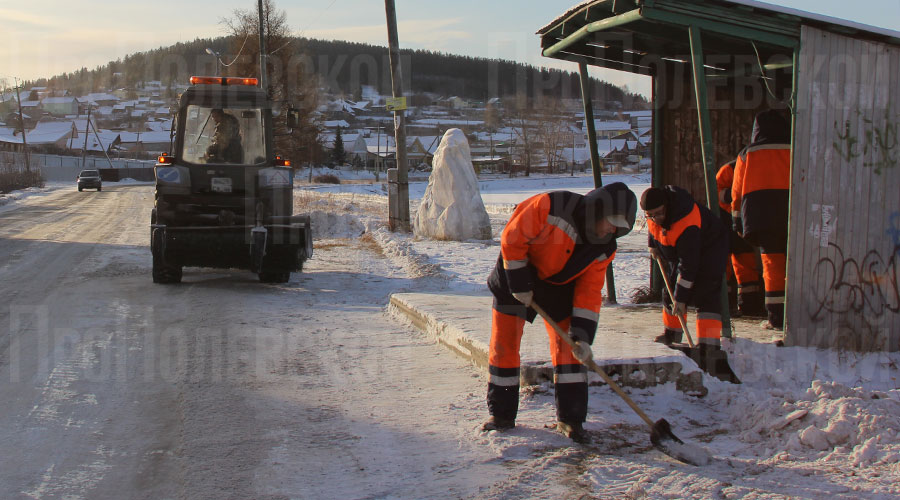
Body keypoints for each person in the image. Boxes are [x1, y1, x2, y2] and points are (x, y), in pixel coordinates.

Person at [483, 182, 637, 444]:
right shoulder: (551, 207)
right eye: (611, 221)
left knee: (571, 353)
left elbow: (589, 291)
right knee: (504, 345)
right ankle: (502, 415)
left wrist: (583, 336)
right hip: (515, 275)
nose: (612, 230)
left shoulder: (604, 248)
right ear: (597, 210)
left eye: (618, 227)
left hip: (560, 289)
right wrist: (519, 284)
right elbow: (513, 237)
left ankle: (571, 419)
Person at [642, 185, 729, 349]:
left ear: (667, 206)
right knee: (670, 290)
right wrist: (652, 244)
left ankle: (708, 343)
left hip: (710, 246)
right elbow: (653, 227)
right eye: (650, 215)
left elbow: (689, 266)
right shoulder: (654, 214)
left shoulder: (686, 221)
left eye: (659, 213)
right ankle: (672, 334)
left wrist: (681, 299)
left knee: (706, 292)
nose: (655, 218)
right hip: (681, 251)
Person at [731, 110, 791, 330]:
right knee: (798, 264)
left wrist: (737, 223)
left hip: (762, 219)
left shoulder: (747, 154)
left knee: (773, 267)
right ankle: (801, 315)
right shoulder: (795, 148)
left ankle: (776, 319)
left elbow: (736, 193)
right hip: (792, 215)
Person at [716, 159, 764, 317]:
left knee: (746, 265)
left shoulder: (754, 166)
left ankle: (749, 305)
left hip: (743, 223)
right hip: (726, 222)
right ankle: (726, 305)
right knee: (725, 266)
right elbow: (717, 192)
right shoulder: (729, 169)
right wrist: (736, 202)